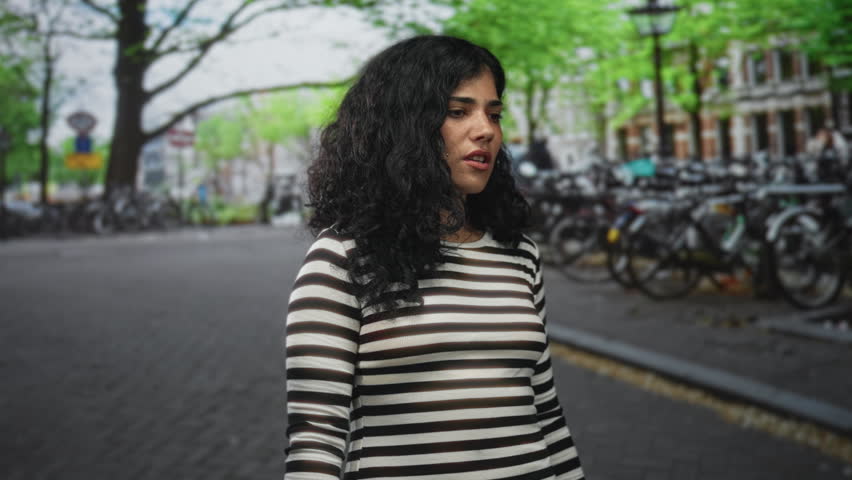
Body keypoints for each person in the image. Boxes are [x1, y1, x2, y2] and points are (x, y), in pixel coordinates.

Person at [284, 35, 584, 480]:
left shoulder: (518, 254)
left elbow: (546, 411)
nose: (485, 129)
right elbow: (316, 434)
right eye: (458, 111)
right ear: (404, 127)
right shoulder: (341, 258)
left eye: (493, 114)